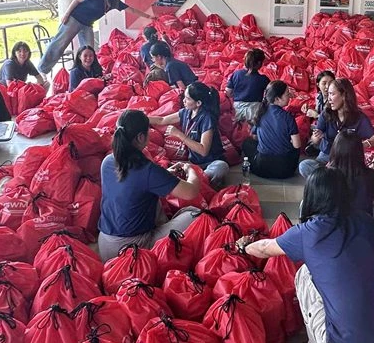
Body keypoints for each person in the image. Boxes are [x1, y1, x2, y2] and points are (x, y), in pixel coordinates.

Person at [240, 168, 374, 343]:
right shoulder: (365, 220)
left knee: (305, 274)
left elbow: (264, 248)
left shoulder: (308, 232)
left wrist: (244, 247)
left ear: (311, 196)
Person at [97, 110, 203, 261]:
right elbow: (191, 191)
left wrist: (165, 174)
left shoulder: (107, 161)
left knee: (152, 197)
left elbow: (131, 184)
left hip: (104, 243)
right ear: (141, 137)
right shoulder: (146, 169)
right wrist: (190, 170)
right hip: (132, 248)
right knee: (196, 215)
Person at [38, 0, 149, 75]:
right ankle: (42, 70)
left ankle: (85, 73)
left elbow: (132, 10)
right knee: (60, 44)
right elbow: (77, 0)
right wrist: (66, 14)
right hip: (74, 19)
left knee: (89, 50)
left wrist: (149, 16)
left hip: (87, 25)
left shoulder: (115, 2)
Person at [148, 81, 229, 187]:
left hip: (210, 162)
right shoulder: (185, 112)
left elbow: (203, 150)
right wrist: (139, 117)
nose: (184, 101)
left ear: (198, 103)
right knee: (167, 168)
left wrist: (179, 134)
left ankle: (197, 180)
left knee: (221, 167)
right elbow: (161, 120)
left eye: (188, 98)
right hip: (194, 163)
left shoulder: (206, 118)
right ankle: (197, 179)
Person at [298, 78, 374, 179]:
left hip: (348, 160)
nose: (329, 99)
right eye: (328, 94)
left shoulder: (359, 117)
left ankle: (331, 179)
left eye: (332, 94)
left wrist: (359, 145)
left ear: (344, 95)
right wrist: (316, 137)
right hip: (326, 157)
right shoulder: (326, 114)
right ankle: (336, 179)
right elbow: (314, 141)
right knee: (304, 166)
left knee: (359, 175)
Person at [327, 131, 374, 235]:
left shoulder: (325, 174)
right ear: (360, 152)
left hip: (331, 230)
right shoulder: (371, 175)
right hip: (360, 230)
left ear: (334, 150)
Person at [241, 80, 300, 179]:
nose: (289, 96)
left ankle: (252, 163)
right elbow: (297, 145)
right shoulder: (288, 117)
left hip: (262, 169)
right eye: (287, 94)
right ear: (277, 99)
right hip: (285, 171)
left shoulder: (260, 113)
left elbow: (254, 137)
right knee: (295, 149)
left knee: (247, 143)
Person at [225, 49, 271, 122]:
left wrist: (238, 96)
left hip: (237, 109)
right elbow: (271, 95)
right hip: (255, 111)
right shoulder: (263, 79)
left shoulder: (236, 74)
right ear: (259, 63)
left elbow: (228, 92)